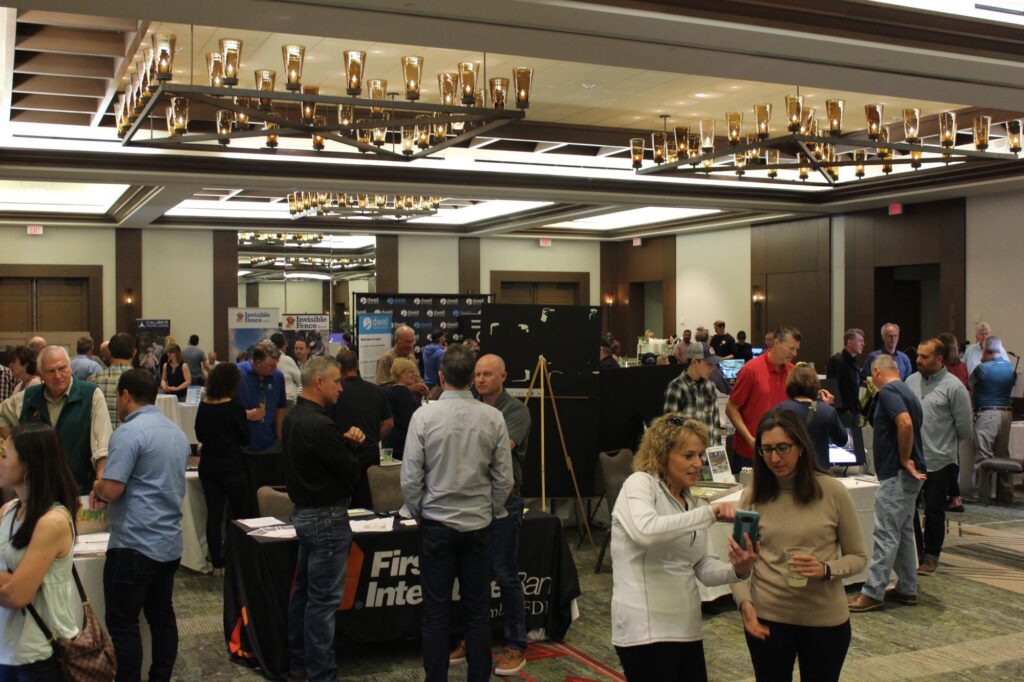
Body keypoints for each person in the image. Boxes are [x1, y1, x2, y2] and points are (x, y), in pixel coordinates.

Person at [612, 415, 756, 682]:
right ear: (662, 454)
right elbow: (646, 531)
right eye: (688, 455)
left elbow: (703, 567)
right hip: (644, 630)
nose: (697, 464)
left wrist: (738, 569)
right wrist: (710, 513)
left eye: (700, 455)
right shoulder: (640, 484)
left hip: (686, 628)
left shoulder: (693, 502)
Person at [400, 344, 513, 682]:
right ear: (470, 379)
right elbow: (503, 478)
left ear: (441, 376)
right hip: (478, 525)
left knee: (435, 611)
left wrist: (419, 511)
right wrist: (489, 510)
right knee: (477, 611)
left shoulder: (424, 416)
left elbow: (409, 477)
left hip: (436, 525)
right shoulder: (493, 417)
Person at [733, 409, 867, 682]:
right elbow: (737, 565)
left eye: (783, 448)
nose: (774, 458)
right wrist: (744, 604)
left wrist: (826, 569)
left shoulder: (832, 492)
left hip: (824, 621)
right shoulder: (753, 495)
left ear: (802, 447)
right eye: (766, 450)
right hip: (768, 620)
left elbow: (859, 557)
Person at [92, 369, 189, 682]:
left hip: (133, 544)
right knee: (162, 618)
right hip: (169, 543)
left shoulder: (128, 433)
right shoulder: (175, 432)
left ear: (124, 395)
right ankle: (160, 676)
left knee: (123, 625)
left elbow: (111, 490)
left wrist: (96, 486)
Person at [450, 353, 532, 676]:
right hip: (472, 500)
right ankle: (472, 640)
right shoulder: (469, 404)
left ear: (503, 377)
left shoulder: (517, 411)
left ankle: (516, 645)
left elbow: (500, 448)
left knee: (505, 573)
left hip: (504, 502)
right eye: (477, 374)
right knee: (474, 576)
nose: (481, 379)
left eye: (487, 374)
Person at [284, 357, 362, 681]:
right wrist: (352, 446)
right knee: (323, 602)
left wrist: (342, 444)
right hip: (327, 519)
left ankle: (301, 664)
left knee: (304, 594)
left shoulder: (294, 417)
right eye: (336, 382)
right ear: (319, 382)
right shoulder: (319, 425)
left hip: (305, 514)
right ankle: (322, 673)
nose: (341, 388)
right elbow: (352, 473)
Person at [0, 423, 82, 680]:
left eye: (5, 455)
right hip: (7, 648)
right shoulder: (10, 510)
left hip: (37, 652)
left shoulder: (52, 521)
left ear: (28, 465)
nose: (1, 461)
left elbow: (17, 596)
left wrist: (14, 584)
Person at [848, 354, 926, 613]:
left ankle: (872, 591)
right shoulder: (908, 392)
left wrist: (904, 459)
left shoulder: (889, 392)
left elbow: (904, 423)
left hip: (897, 473)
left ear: (878, 373)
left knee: (886, 533)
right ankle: (907, 587)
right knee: (903, 531)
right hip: (907, 477)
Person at [0, 346, 111, 495]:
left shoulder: (91, 395)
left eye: (62, 368)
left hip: (79, 490)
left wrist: (100, 484)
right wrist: (17, 441)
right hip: (36, 492)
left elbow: (102, 447)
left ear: (70, 368)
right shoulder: (28, 397)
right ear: (41, 375)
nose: (58, 376)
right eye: (51, 371)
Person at [906, 338, 972, 575]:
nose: (918, 360)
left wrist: (942, 442)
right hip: (911, 459)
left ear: (939, 359)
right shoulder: (910, 381)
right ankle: (915, 552)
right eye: (918, 356)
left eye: (924, 357)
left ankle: (931, 556)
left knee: (934, 511)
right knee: (908, 510)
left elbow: (965, 428)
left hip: (939, 460)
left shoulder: (954, 387)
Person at [194, 363, 250, 574]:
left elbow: (199, 434)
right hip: (232, 466)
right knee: (238, 513)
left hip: (209, 466)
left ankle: (216, 561)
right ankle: (237, 556)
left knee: (214, 514)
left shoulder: (204, 404)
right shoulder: (235, 407)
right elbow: (245, 437)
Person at [727, 326, 801, 471]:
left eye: (796, 349)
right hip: (750, 454)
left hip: (781, 455)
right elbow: (731, 409)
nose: (794, 353)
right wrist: (750, 439)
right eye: (791, 348)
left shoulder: (793, 372)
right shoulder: (751, 370)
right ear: (776, 343)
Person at [332, 349, 393, 510]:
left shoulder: (335, 393)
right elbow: (389, 423)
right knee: (367, 506)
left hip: (342, 454)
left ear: (338, 368)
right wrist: (373, 439)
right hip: (370, 453)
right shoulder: (376, 391)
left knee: (341, 505)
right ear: (357, 365)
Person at [970, 335, 1016, 504]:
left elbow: (971, 382)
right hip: (1006, 413)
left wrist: (982, 359)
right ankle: (1006, 494)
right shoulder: (1009, 367)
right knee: (1002, 454)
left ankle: (982, 495)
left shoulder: (982, 368)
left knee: (983, 455)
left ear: (985, 350)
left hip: (987, 414)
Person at [775, 365, 847, 470]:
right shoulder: (827, 412)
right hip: (818, 474)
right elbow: (842, 440)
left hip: (788, 472)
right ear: (816, 385)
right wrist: (829, 407)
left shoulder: (779, 410)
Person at [237, 339, 288, 458]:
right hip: (243, 445)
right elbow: (225, 408)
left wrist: (280, 439)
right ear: (257, 362)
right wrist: (247, 414)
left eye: (276, 364)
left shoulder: (278, 376)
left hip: (270, 445)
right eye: (271, 365)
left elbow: (280, 408)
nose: (275, 368)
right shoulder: (238, 373)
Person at [663, 342, 721, 437]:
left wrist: (717, 449)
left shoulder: (711, 386)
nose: (712, 368)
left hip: (709, 449)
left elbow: (716, 425)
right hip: (687, 450)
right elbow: (670, 430)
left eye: (713, 364)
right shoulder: (676, 387)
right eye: (709, 364)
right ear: (694, 362)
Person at [88, 332, 135, 429]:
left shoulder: (92, 380)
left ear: (109, 351)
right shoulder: (143, 382)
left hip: (101, 441)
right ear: (134, 352)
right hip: (132, 441)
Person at [381, 358, 422, 461]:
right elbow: (410, 421)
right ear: (400, 373)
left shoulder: (388, 391)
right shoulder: (404, 393)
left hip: (388, 443)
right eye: (410, 372)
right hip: (402, 445)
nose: (414, 375)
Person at [825, 328, 865, 427]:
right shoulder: (837, 361)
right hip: (842, 413)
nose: (863, 344)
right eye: (860, 341)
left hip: (854, 411)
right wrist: (843, 410)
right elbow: (831, 387)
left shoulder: (854, 361)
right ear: (849, 342)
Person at [375, 326, 428, 398]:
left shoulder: (412, 357)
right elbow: (381, 389)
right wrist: (408, 389)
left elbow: (417, 378)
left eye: (412, 341)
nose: (411, 345)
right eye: (407, 341)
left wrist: (423, 387)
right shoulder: (386, 359)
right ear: (397, 342)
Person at [272, 333, 303, 406]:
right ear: (283, 347)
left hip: (272, 400)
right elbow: (301, 380)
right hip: (288, 401)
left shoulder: (266, 360)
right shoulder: (287, 360)